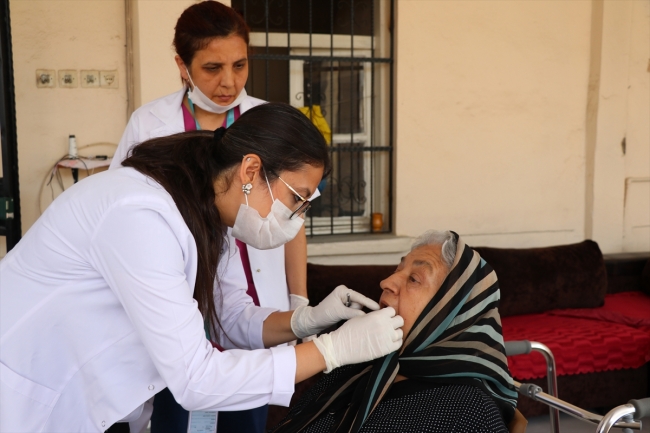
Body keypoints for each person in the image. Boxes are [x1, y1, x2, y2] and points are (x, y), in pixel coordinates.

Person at [0, 103, 404, 433]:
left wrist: (307, 320)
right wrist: (333, 350)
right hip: (31, 398)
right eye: (296, 198)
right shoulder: (141, 215)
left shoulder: (210, 213)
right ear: (249, 171)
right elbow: (196, 380)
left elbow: (228, 319)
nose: (297, 218)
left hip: (95, 399)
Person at [108, 2, 315, 430]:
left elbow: (294, 218)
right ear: (182, 65)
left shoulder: (266, 121)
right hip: (182, 300)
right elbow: (122, 217)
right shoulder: (150, 124)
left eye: (239, 65)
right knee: (177, 411)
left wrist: (299, 301)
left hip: (255, 307)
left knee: (247, 411)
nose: (229, 82)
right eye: (212, 67)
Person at [270, 230, 519, 433]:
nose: (386, 283)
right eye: (396, 270)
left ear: (449, 312)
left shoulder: (468, 412)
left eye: (414, 279)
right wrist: (310, 323)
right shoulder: (363, 365)